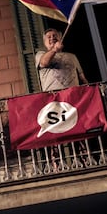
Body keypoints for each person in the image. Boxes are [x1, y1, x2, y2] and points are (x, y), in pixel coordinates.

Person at [35, 28, 89, 170]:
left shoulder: (72, 56)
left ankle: (84, 163)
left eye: (55, 36)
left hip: (74, 101)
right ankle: (57, 167)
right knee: (55, 136)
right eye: (49, 36)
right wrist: (54, 50)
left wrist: (90, 92)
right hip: (54, 103)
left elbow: (82, 78)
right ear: (44, 41)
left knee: (78, 134)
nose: (52, 38)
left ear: (60, 38)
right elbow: (45, 62)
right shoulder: (40, 54)